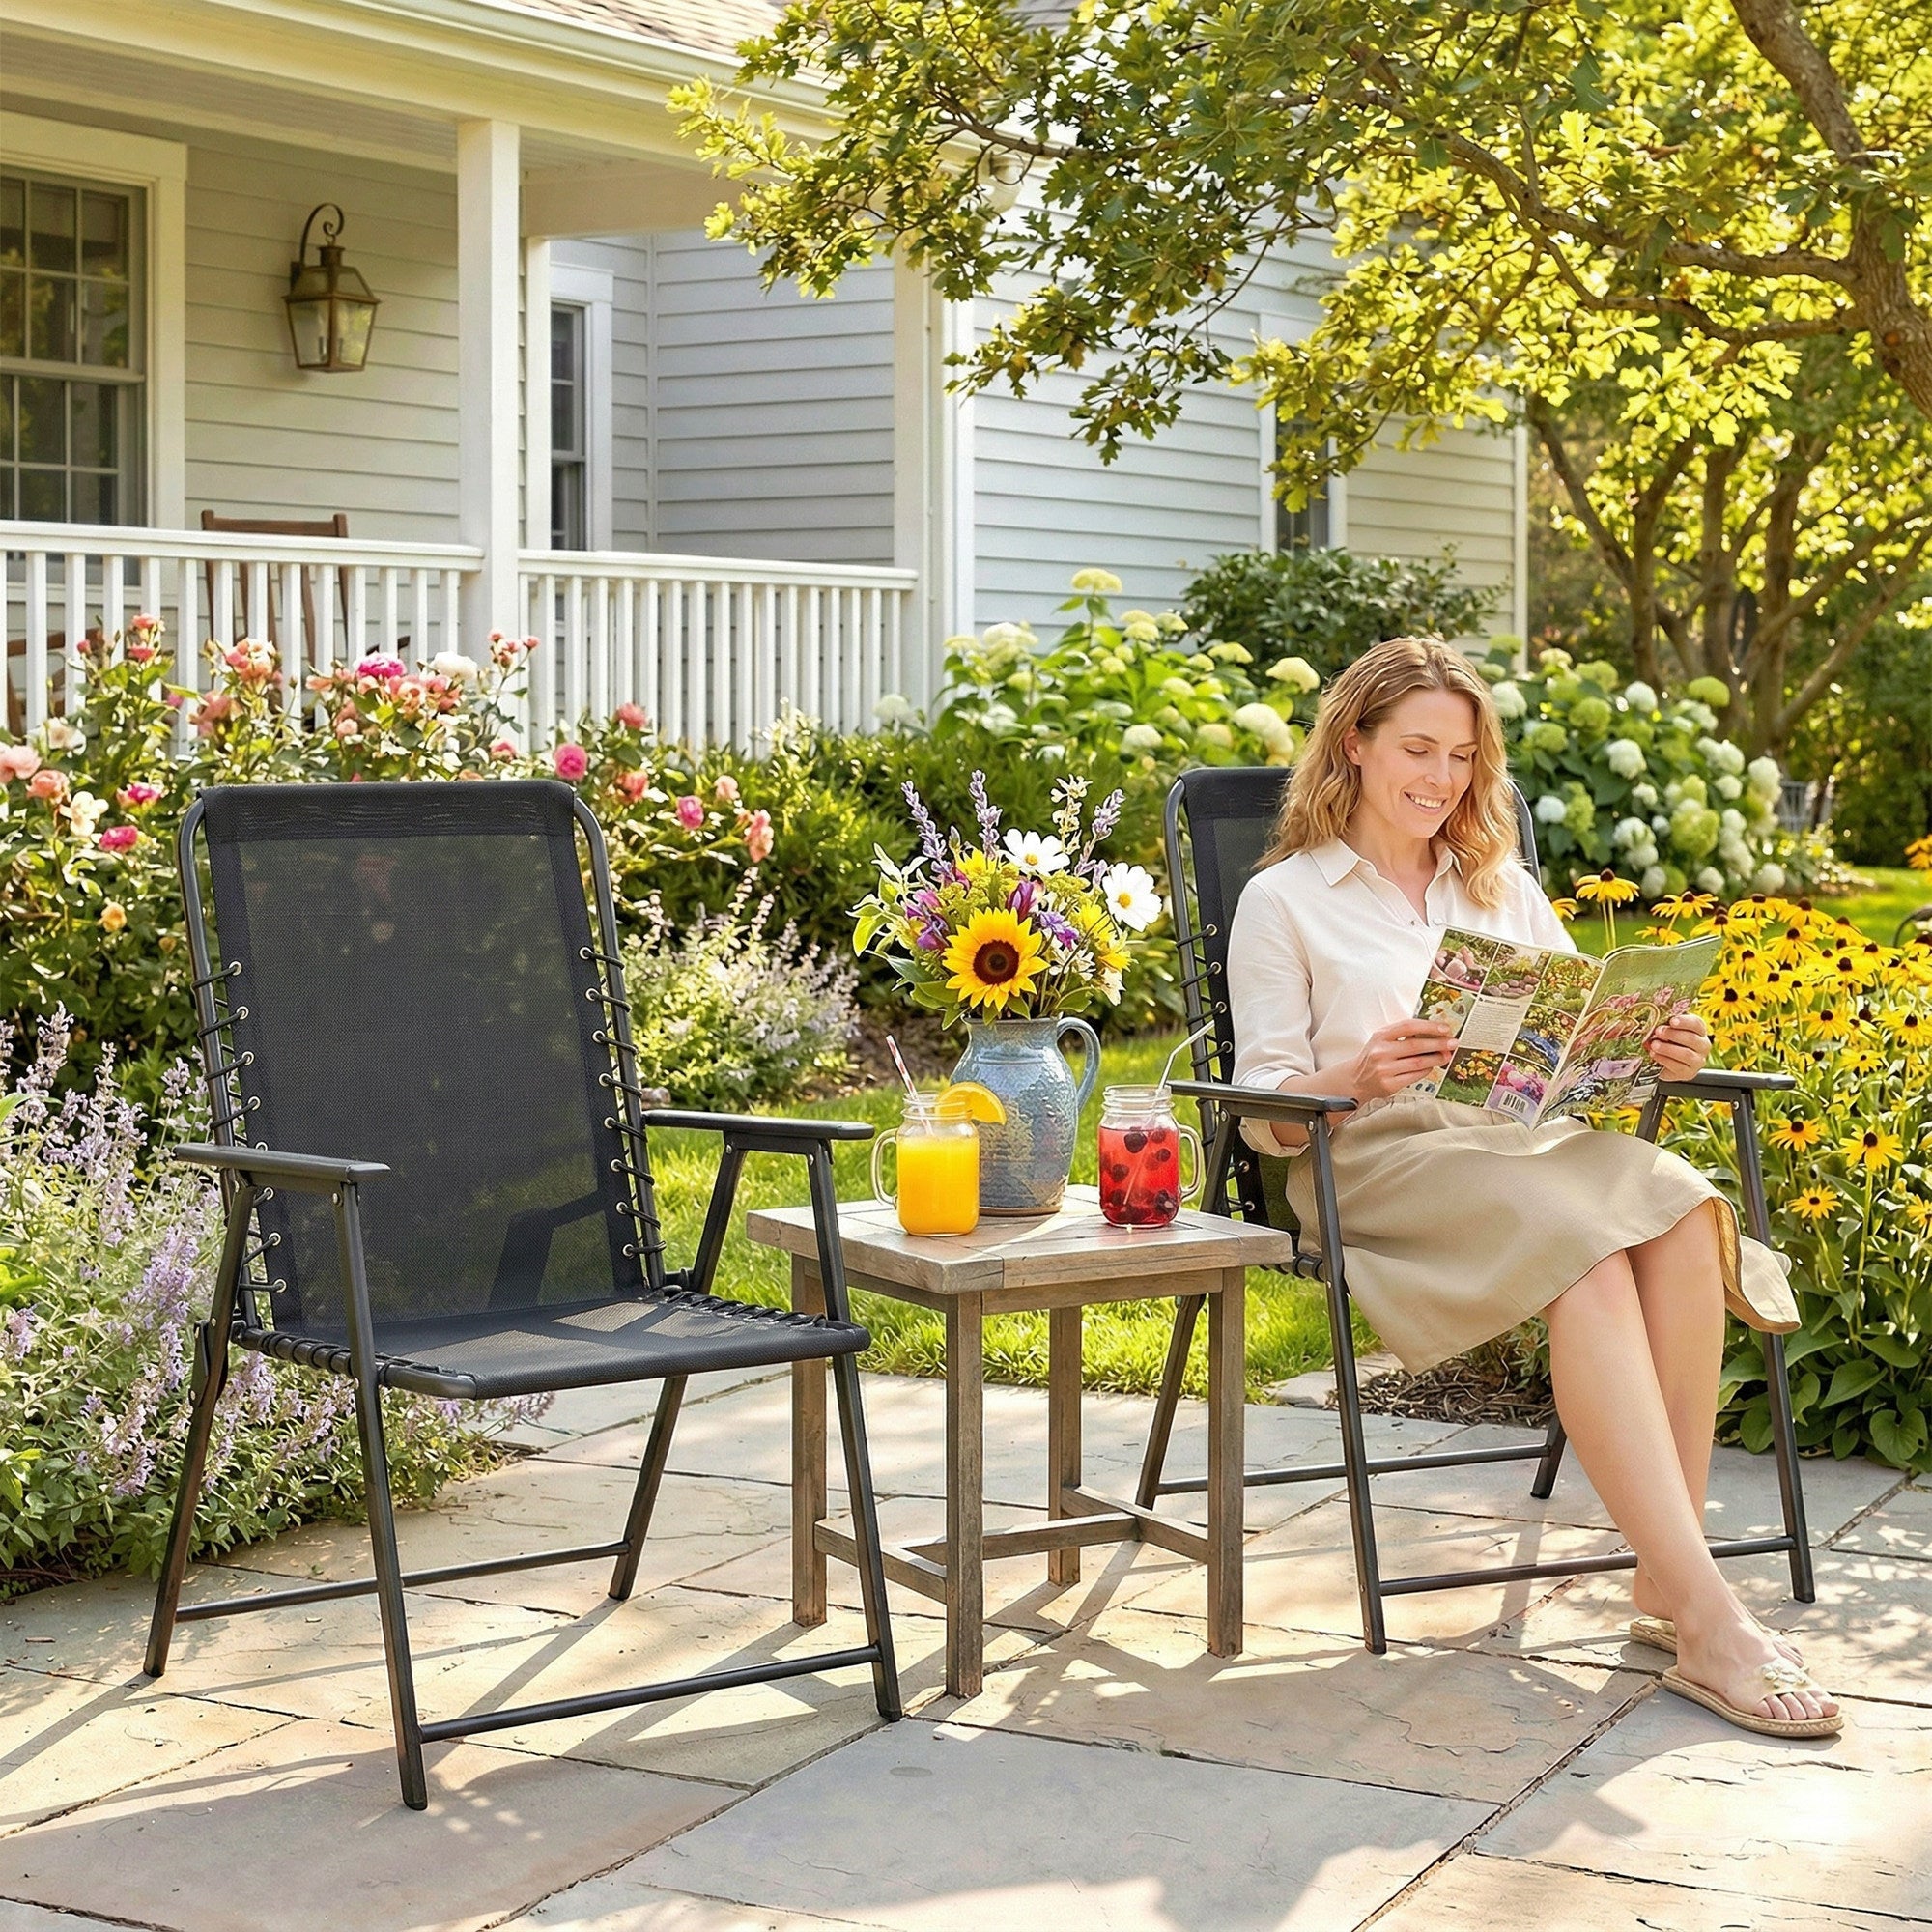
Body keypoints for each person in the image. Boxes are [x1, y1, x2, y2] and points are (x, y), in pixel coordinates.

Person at [1227, 635, 1839, 1738]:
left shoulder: (1495, 883)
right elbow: (1263, 1115)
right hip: (1373, 1155)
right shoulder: (1285, 899)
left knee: (1680, 1207)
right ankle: (1703, 1611)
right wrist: (1353, 1074)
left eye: (1461, 755)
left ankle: (1664, 1579)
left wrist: (1650, 1043)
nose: (1439, 777)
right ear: (1353, 744)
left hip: (1514, 1142)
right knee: (1591, 1252)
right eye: (1417, 748)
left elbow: (1572, 1022)